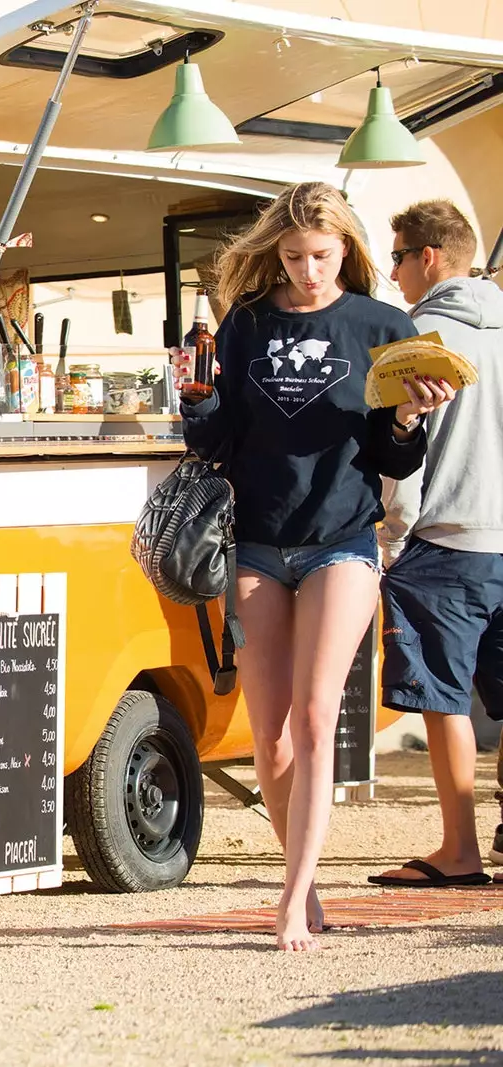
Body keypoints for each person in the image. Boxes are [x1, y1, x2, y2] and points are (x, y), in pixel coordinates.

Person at [178, 182, 453, 951]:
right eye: (293, 256)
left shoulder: (382, 325)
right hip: (260, 539)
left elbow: (394, 454)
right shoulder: (248, 323)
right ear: (277, 251)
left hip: (343, 539)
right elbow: (218, 440)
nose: (307, 271)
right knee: (269, 738)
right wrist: (195, 399)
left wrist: (405, 417)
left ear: (346, 250)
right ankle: (304, 872)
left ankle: (292, 897)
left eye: (321, 257)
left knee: (315, 712)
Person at [369, 200, 503, 889]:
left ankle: (460, 849)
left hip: (447, 541)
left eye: (397, 256)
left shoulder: (417, 339)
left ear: (428, 257)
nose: (392, 272)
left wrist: (391, 539)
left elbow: (404, 457)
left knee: (444, 697)